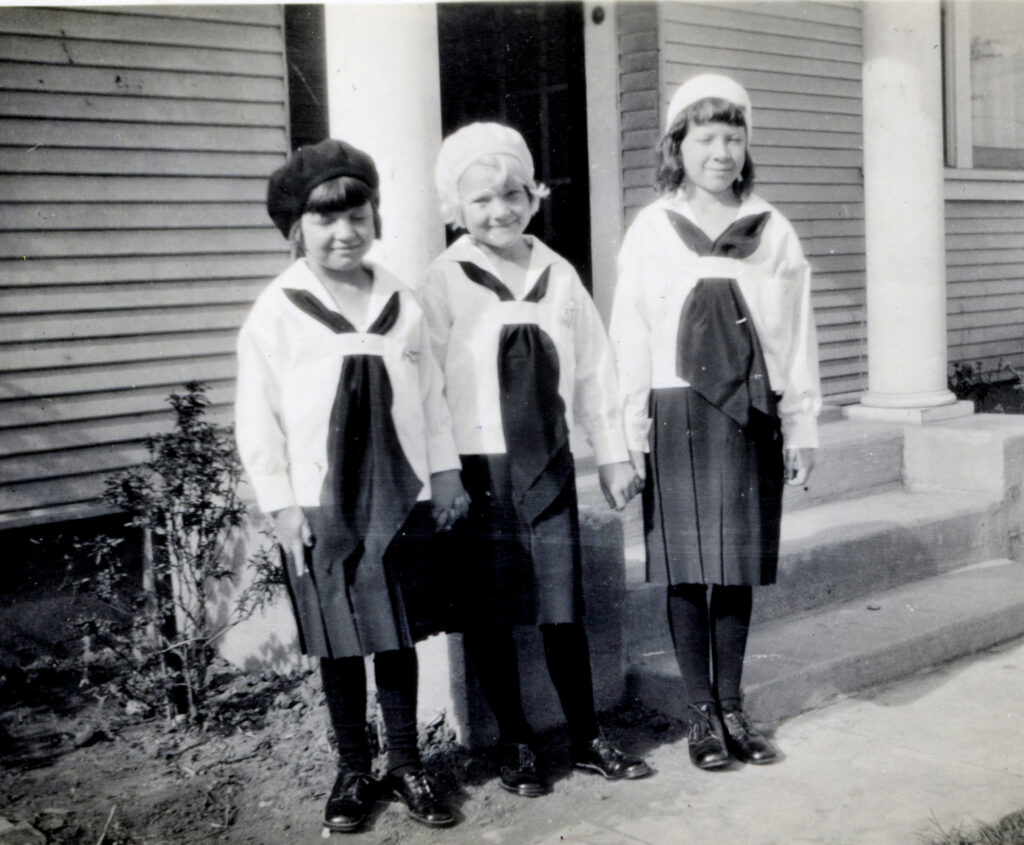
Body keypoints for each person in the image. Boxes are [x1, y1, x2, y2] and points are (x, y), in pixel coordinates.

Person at [235, 139, 469, 832]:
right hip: (318, 499)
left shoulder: (402, 300)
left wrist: (447, 469)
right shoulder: (279, 311)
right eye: (325, 219)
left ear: (375, 217)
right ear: (295, 230)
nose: (344, 232)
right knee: (338, 638)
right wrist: (278, 503)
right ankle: (352, 768)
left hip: (398, 495)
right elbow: (259, 416)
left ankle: (405, 760)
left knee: (394, 632)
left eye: (357, 215)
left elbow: (429, 398)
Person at [418, 122, 651, 797]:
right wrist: (442, 471)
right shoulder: (444, 281)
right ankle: (515, 740)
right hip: (480, 468)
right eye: (483, 200)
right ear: (455, 210)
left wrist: (611, 452)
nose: (501, 210)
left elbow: (593, 372)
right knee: (492, 609)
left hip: (546, 462)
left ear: (534, 194)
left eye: (513, 193)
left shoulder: (558, 275)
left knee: (559, 604)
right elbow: (428, 385)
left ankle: (585, 735)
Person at [610, 74, 821, 771]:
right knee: (686, 568)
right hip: (676, 411)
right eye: (707, 138)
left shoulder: (773, 232)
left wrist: (802, 422)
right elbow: (630, 336)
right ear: (679, 144)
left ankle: (733, 705)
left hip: (750, 413)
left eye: (735, 137)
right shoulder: (651, 230)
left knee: (732, 569)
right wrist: (628, 434)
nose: (723, 152)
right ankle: (699, 711)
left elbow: (794, 335)